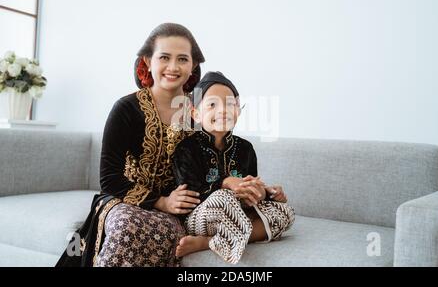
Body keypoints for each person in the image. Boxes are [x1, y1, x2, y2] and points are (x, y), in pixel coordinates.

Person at [56, 23, 206, 267]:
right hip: (123, 201)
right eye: (164, 57)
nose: (173, 67)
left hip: (178, 213)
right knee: (126, 225)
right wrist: (161, 202)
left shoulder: (200, 111)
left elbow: (214, 162)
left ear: (194, 65)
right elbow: (109, 179)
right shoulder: (126, 108)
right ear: (147, 61)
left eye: (182, 59)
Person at [172, 71, 295, 264]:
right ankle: (228, 236)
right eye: (212, 104)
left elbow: (250, 188)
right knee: (224, 197)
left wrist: (265, 192)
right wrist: (226, 183)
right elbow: (190, 195)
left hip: (239, 214)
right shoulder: (187, 149)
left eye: (230, 104)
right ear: (195, 112)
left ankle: (208, 243)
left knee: (285, 211)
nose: (222, 111)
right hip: (201, 217)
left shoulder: (245, 148)